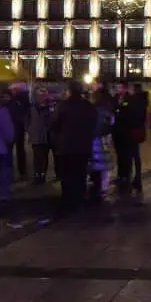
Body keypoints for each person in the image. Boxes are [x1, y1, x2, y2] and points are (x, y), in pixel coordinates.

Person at [49, 80, 96, 216]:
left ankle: (68, 200)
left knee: (67, 174)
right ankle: (79, 199)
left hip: (66, 145)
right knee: (80, 174)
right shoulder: (88, 106)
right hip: (83, 145)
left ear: (69, 91)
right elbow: (93, 123)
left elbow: (53, 124)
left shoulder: (63, 106)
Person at [112, 80, 144, 199]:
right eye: (117, 87)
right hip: (118, 132)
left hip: (128, 133)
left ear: (125, 88)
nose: (118, 90)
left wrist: (120, 114)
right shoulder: (115, 99)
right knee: (120, 154)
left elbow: (133, 116)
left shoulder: (131, 100)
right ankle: (121, 175)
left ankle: (127, 176)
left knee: (129, 155)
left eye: (120, 87)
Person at [28, 87, 53, 185]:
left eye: (43, 95)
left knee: (44, 156)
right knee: (36, 156)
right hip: (35, 135)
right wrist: (29, 129)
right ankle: (37, 174)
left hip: (46, 135)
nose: (41, 97)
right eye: (39, 95)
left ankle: (42, 175)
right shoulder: (32, 108)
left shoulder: (49, 107)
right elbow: (27, 120)